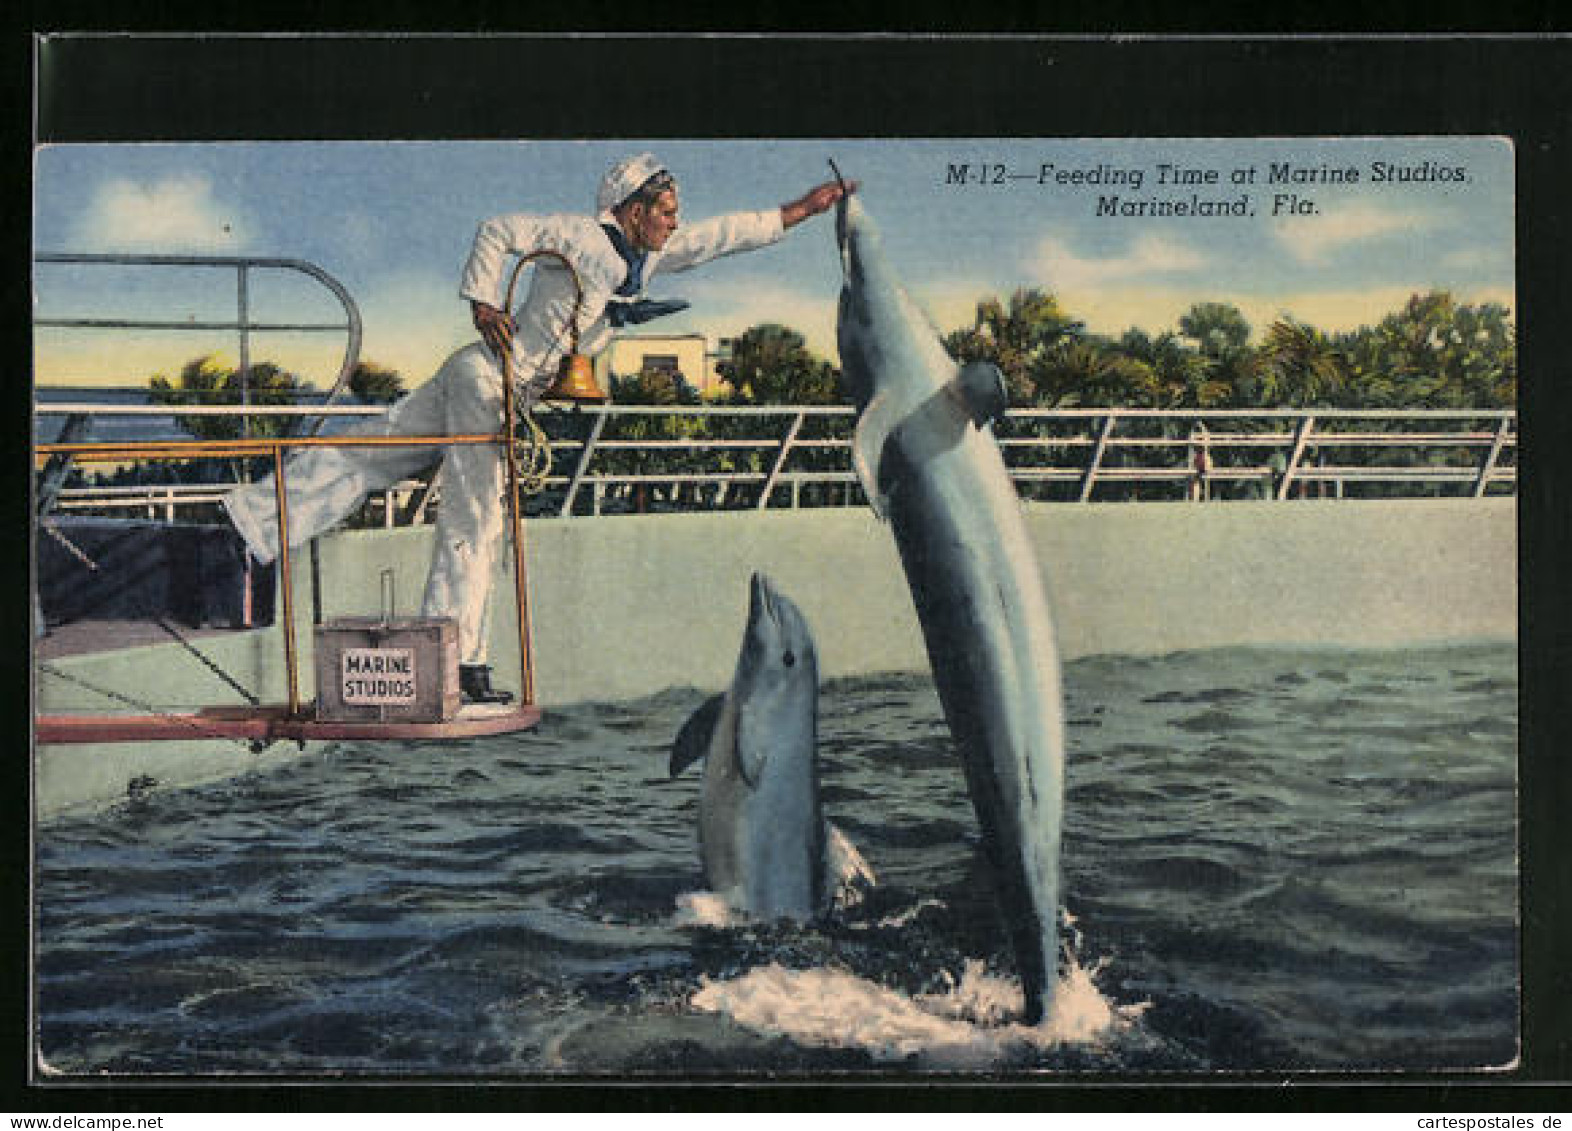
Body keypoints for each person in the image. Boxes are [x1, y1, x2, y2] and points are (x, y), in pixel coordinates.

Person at [223, 153, 854, 704]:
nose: (674, 222)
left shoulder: (648, 255)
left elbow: (725, 234)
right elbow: (498, 230)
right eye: (664, 210)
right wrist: (483, 301)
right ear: (632, 210)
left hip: (488, 379)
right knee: (477, 517)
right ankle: (461, 660)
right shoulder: (579, 235)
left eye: (674, 211)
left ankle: (250, 522)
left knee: (373, 451)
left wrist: (803, 207)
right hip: (490, 381)